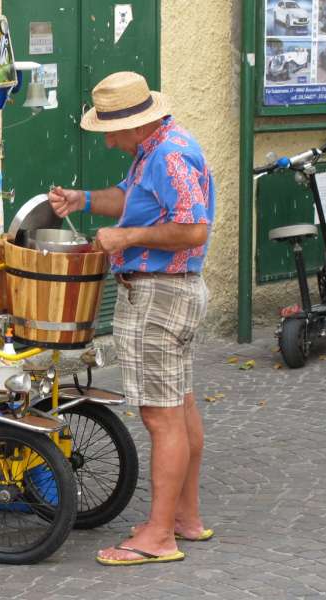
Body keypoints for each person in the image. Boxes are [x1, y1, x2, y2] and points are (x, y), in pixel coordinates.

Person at [48, 71, 215, 566]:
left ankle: (159, 537)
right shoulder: (160, 148)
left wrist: (124, 239)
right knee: (179, 409)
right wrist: (83, 201)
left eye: (110, 129)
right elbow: (131, 199)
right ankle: (184, 518)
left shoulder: (169, 155)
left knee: (160, 418)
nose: (108, 138)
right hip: (170, 295)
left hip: (158, 297)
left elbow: (193, 230)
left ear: (134, 124)